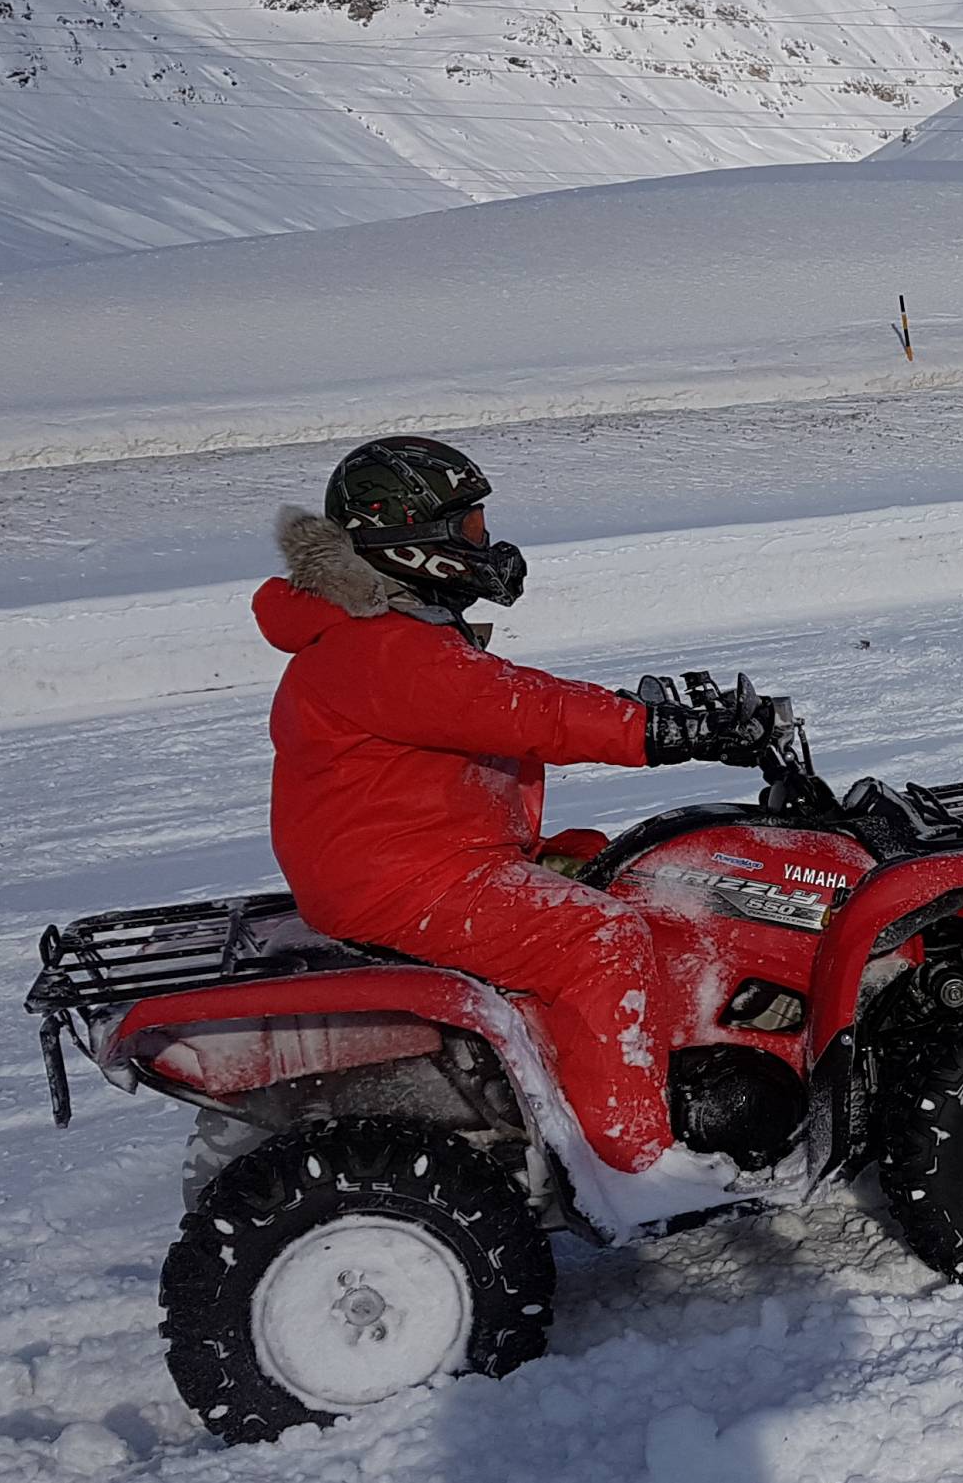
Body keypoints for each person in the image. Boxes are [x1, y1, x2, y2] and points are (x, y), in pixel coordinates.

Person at [252, 435, 745, 1175]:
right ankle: (634, 1160)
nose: (485, 542)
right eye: (470, 526)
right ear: (412, 540)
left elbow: (503, 704)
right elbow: (525, 709)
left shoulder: (376, 631)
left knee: (618, 868)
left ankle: (589, 1071)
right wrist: (663, 729)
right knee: (600, 937)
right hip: (405, 879)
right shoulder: (380, 647)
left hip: (410, 855)